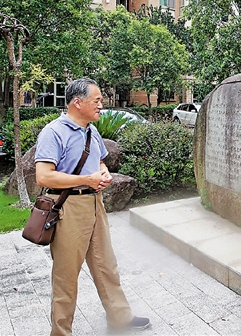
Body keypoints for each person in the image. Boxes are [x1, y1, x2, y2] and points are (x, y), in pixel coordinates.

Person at [35, 78, 150, 336]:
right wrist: (86, 180)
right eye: (96, 101)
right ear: (78, 103)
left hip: (94, 203)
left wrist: (103, 173)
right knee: (66, 275)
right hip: (68, 208)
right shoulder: (53, 132)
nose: (101, 105)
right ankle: (61, 332)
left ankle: (120, 318)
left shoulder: (90, 131)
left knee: (106, 265)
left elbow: (98, 163)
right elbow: (43, 177)